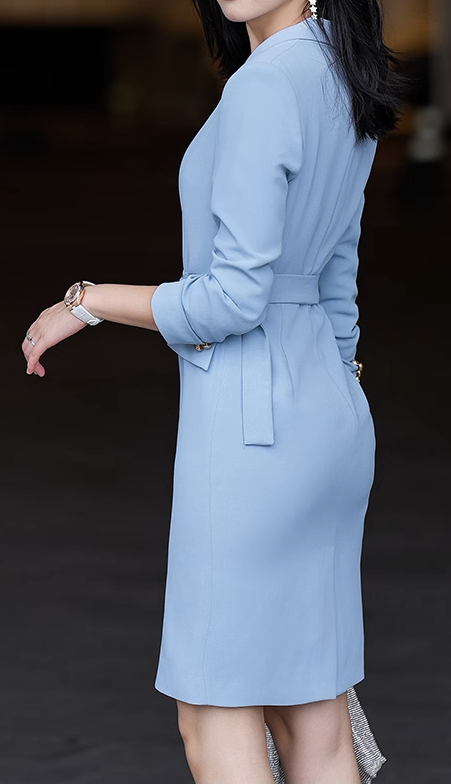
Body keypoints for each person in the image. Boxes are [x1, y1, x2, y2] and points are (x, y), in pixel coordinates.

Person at [22, 1, 402, 782]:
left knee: (216, 713)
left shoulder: (264, 86)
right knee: (313, 716)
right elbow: (337, 279)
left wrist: (86, 302)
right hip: (329, 415)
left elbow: (231, 301)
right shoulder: (345, 74)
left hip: (250, 433)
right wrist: (333, 396)